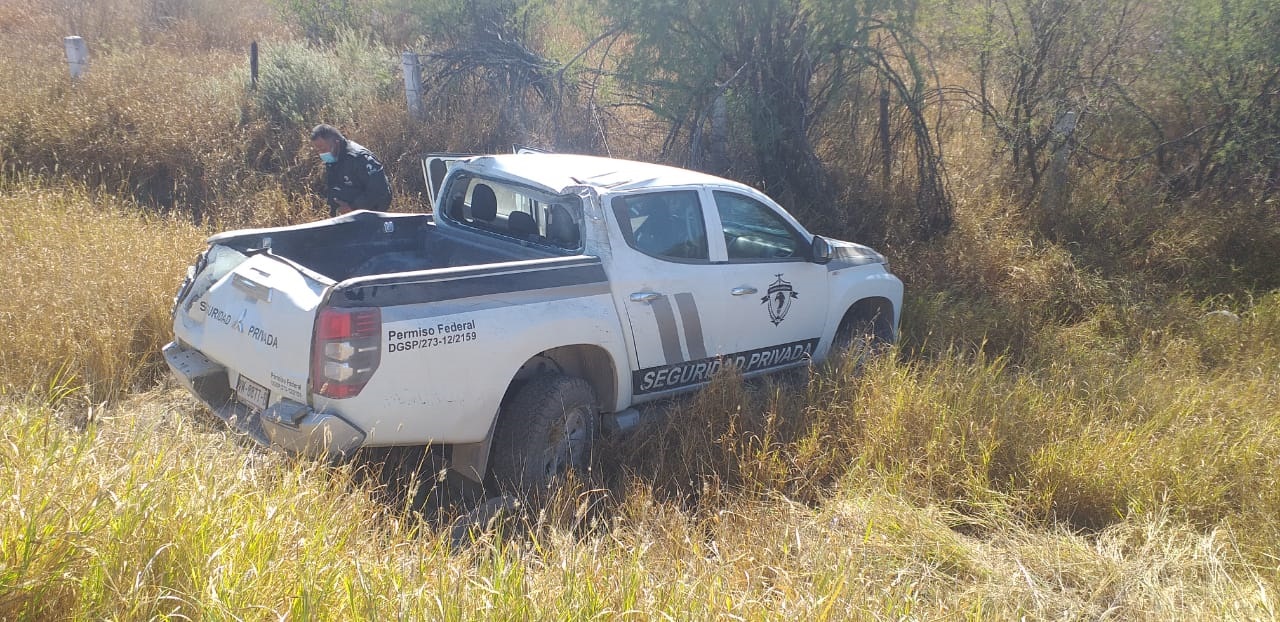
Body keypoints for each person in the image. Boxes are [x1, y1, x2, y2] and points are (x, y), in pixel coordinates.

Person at [309, 124, 392, 216]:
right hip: (348, 215)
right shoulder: (333, 158)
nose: (321, 153)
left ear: (336, 143)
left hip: (371, 214)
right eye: (318, 150)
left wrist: (353, 207)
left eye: (323, 149)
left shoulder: (359, 158)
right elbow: (334, 190)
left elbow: (380, 191)